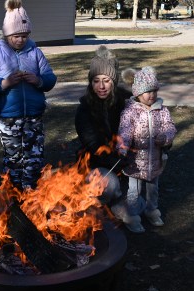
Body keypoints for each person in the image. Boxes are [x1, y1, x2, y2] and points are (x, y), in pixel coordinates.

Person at [0, 0, 57, 190]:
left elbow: (50, 78)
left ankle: (31, 193)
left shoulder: (36, 53)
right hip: (8, 116)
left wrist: (38, 81)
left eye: (24, 35)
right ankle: (13, 193)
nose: (21, 40)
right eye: (16, 36)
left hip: (33, 115)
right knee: (14, 156)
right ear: (7, 34)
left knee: (34, 156)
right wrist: (4, 83)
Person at [74, 45, 134, 230]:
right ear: (91, 83)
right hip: (98, 163)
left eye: (106, 81)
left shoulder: (126, 102)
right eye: (96, 81)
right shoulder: (85, 109)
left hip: (125, 158)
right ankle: (97, 207)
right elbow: (93, 144)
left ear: (114, 82)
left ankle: (126, 202)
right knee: (109, 185)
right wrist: (117, 160)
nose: (101, 86)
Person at [117, 67, 176, 233]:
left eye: (154, 91)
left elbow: (170, 127)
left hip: (154, 160)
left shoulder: (162, 110)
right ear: (137, 93)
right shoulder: (130, 112)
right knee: (134, 192)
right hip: (134, 162)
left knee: (153, 190)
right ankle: (132, 216)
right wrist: (122, 148)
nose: (151, 95)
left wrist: (165, 138)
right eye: (147, 91)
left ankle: (152, 211)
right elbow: (125, 132)